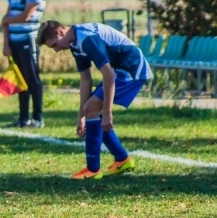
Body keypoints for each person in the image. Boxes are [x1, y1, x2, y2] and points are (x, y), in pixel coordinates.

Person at [36, 20, 151, 179]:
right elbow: (85, 80)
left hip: (131, 70)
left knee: (93, 109)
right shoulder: (75, 43)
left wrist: (107, 113)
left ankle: (93, 170)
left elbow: (108, 74)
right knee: (90, 109)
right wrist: (81, 117)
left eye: (54, 44)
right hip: (119, 71)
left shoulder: (86, 38)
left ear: (60, 32)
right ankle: (122, 160)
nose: (56, 50)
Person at [1, 0, 46, 128]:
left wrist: (6, 20)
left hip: (28, 39)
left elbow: (26, 16)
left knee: (33, 79)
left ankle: (38, 118)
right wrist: (6, 43)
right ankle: (23, 118)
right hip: (14, 40)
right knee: (21, 80)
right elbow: (8, 16)